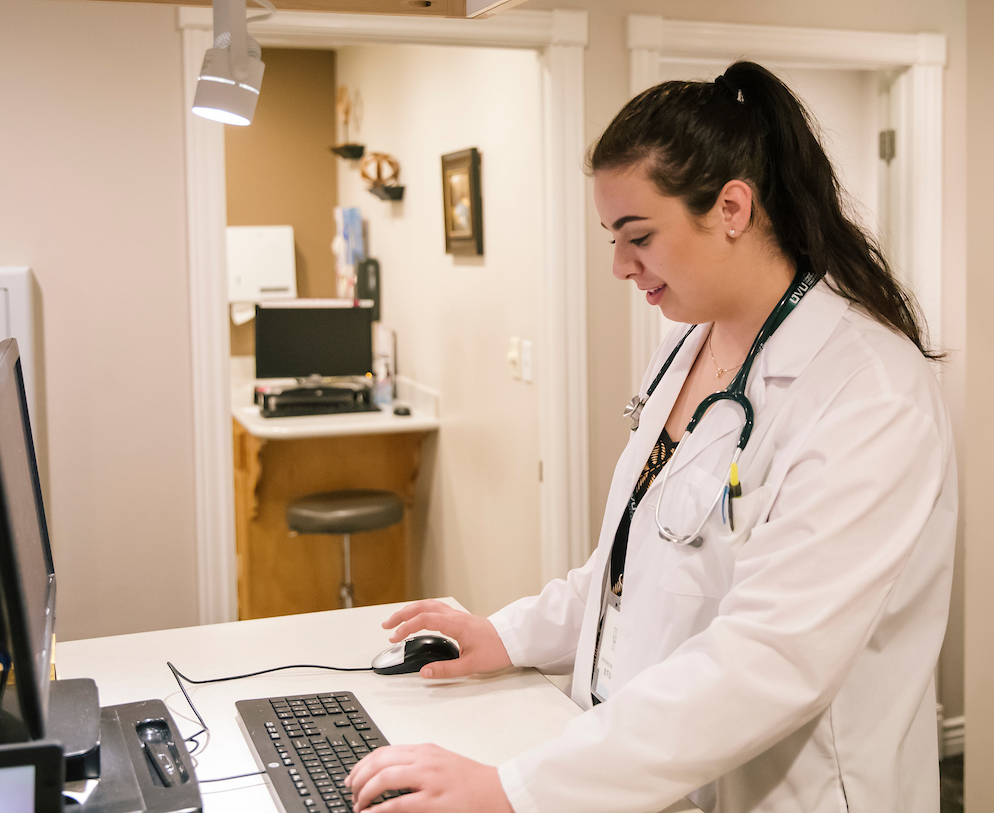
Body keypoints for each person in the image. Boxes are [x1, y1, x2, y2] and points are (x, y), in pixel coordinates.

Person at [346, 62, 957, 813]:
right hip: (639, 770)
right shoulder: (686, 347)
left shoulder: (870, 391)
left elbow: (769, 660)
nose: (617, 266)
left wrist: (516, 790)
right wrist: (502, 637)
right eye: (611, 237)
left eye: (637, 236)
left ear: (732, 207)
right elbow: (633, 564)